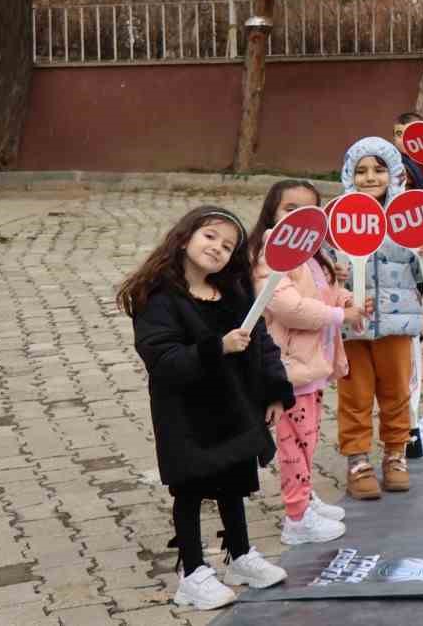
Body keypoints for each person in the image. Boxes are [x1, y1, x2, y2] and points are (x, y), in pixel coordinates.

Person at [116, 206, 293, 611]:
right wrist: (218, 347)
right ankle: (192, 573)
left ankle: (240, 554)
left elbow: (262, 341)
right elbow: (163, 360)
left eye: (229, 246)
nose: (218, 248)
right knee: (192, 488)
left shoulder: (233, 293)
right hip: (186, 413)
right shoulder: (159, 298)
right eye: (210, 237)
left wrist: (274, 390)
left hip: (233, 406)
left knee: (233, 479)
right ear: (184, 237)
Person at [247, 180, 364, 546]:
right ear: (272, 213)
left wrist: (345, 299)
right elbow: (290, 308)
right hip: (289, 371)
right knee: (293, 444)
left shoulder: (313, 254)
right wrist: (339, 315)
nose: (297, 219)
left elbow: (323, 294)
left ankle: (305, 497)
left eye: (307, 212)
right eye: (289, 210)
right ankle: (296, 518)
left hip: (314, 365)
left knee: (308, 440)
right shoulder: (271, 256)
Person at [336, 137, 423, 499]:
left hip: (398, 322)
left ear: (394, 173)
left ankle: (396, 454)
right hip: (352, 326)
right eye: (361, 170)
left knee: (395, 393)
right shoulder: (339, 215)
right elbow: (325, 264)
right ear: (349, 173)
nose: (369, 178)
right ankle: (358, 459)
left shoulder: (405, 216)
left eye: (378, 170)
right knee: (355, 394)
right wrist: (335, 276)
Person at [392, 112, 423, 191]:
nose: (404, 139)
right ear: (393, 138)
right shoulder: (393, 165)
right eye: (399, 134)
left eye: (410, 133)